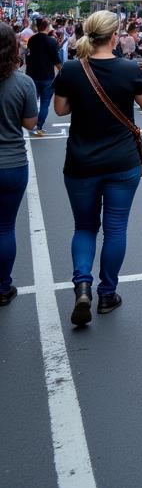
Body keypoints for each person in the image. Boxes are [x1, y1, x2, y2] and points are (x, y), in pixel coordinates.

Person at [52, 11, 142, 326]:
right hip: (123, 162)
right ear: (114, 36)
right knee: (116, 229)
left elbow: (60, 108)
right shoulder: (127, 69)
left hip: (81, 161)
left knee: (84, 227)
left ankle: (83, 283)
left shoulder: (71, 69)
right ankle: (107, 293)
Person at [0, 24, 40, 306]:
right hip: (11, 163)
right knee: (4, 228)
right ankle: (3, 286)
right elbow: (30, 123)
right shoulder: (23, 83)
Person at [26, 16, 62, 137]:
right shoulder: (51, 41)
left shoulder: (32, 40)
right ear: (47, 27)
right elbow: (56, 60)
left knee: (33, 101)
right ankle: (39, 125)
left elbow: (28, 57)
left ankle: (30, 122)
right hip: (47, 76)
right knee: (45, 102)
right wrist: (62, 72)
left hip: (32, 75)